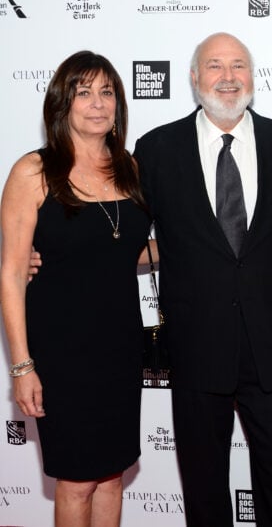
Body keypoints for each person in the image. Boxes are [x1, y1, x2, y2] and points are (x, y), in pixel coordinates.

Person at [133, 33, 272, 526]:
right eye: (214, 66)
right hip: (194, 342)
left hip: (269, 342)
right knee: (204, 479)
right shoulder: (157, 149)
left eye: (239, 66)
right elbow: (125, 228)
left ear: (253, 77)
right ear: (194, 78)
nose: (228, 77)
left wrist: (263, 256)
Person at [0, 51, 150, 527]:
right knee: (77, 479)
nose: (97, 103)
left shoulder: (130, 168)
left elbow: (125, 250)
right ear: (62, 103)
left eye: (107, 92)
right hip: (62, 353)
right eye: (83, 92)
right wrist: (22, 367)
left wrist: (204, 245)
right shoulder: (34, 171)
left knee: (111, 475)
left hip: (120, 346)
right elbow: (10, 272)